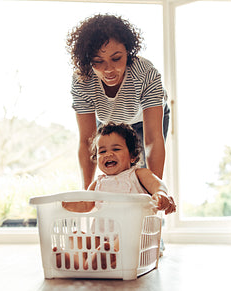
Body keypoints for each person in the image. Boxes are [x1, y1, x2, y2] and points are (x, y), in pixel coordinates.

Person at [66, 14, 170, 190]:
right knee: (109, 175)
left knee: (139, 179)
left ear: (128, 52)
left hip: (143, 121)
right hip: (109, 122)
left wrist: (155, 192)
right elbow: (86, 141)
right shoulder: (82, 81)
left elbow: (152, 139)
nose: (109, 70)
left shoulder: (145, 73)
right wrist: (87, 192)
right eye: (98, 61)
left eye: (116, 58)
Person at [58, 123, 176, 270]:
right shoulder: (98, 183)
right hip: (101, 240)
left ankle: (105, 258)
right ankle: (79, 261)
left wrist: (161, 194)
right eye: (102, 151)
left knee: (128, 236)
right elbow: (85, 205)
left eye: (116, 149)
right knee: (76, 236)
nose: (108, 154)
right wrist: (64, 204)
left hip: (131, 240)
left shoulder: (138, 174)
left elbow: (157, 184)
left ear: (132, 156)